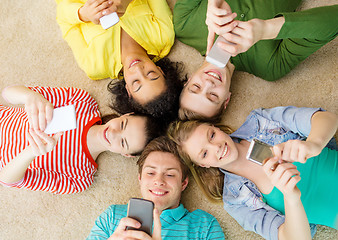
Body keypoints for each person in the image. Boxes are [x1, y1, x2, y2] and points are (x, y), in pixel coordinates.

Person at [168, 106, 338, 240]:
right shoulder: (235, 201)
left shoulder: (260, 121)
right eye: (204, 153)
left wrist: (313, 144)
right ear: (202, 165)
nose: (216, 147)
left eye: (211, 135)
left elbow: (326, 118)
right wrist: (291, 198)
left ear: (215, 128)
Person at [173, 0, 338, 121]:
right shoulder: (270, 67)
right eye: (213, 96)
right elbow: (333, 21)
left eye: (196, 87)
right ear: (226, 100)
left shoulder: (184, 25)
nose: (209, 83)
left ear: (188, 80)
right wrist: (267, 29)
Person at [0, 85, 163, 194]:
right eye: (121, 124)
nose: (112, 133)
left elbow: (6, 179)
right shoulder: (82, 102)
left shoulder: (80, 178)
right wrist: (30, 96)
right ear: (126, 115)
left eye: (123, 142)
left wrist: (30, 153)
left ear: (127, 154)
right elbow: (7, 93)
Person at [55, 0, 185, 119]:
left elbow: (64, 19)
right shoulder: (163, 36)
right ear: (160, 71)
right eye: (151, 74)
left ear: (127, 90)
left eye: (136, 82)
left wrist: (83, 13)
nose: (138, 69)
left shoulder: (95, 66)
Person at [86, 136, 225, 239]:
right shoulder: (111, 217)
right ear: (140, 179)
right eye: (151, 173)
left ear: (184, 183)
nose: (158, 181)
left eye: (170, 174)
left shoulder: (204, 225)